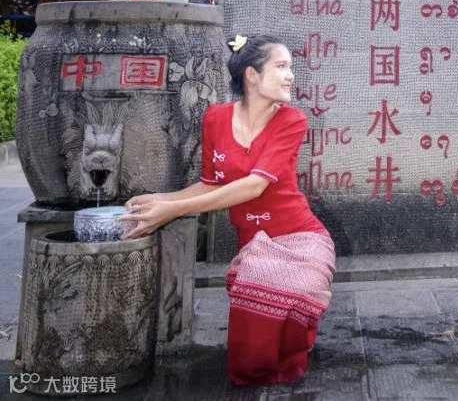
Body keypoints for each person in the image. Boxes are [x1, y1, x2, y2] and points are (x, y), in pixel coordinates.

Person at [121, 34, 334, 384]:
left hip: (300, 236)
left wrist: (173, 211)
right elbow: (212, 183)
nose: (291, 75)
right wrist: (162, 200)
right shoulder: (215, 118)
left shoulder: (291, 120)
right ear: (252, 75)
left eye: (290, 67)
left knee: (288, 303)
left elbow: (254, 186)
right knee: (250, 359)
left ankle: (295, 338)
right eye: (282, 66)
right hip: (254, 243)